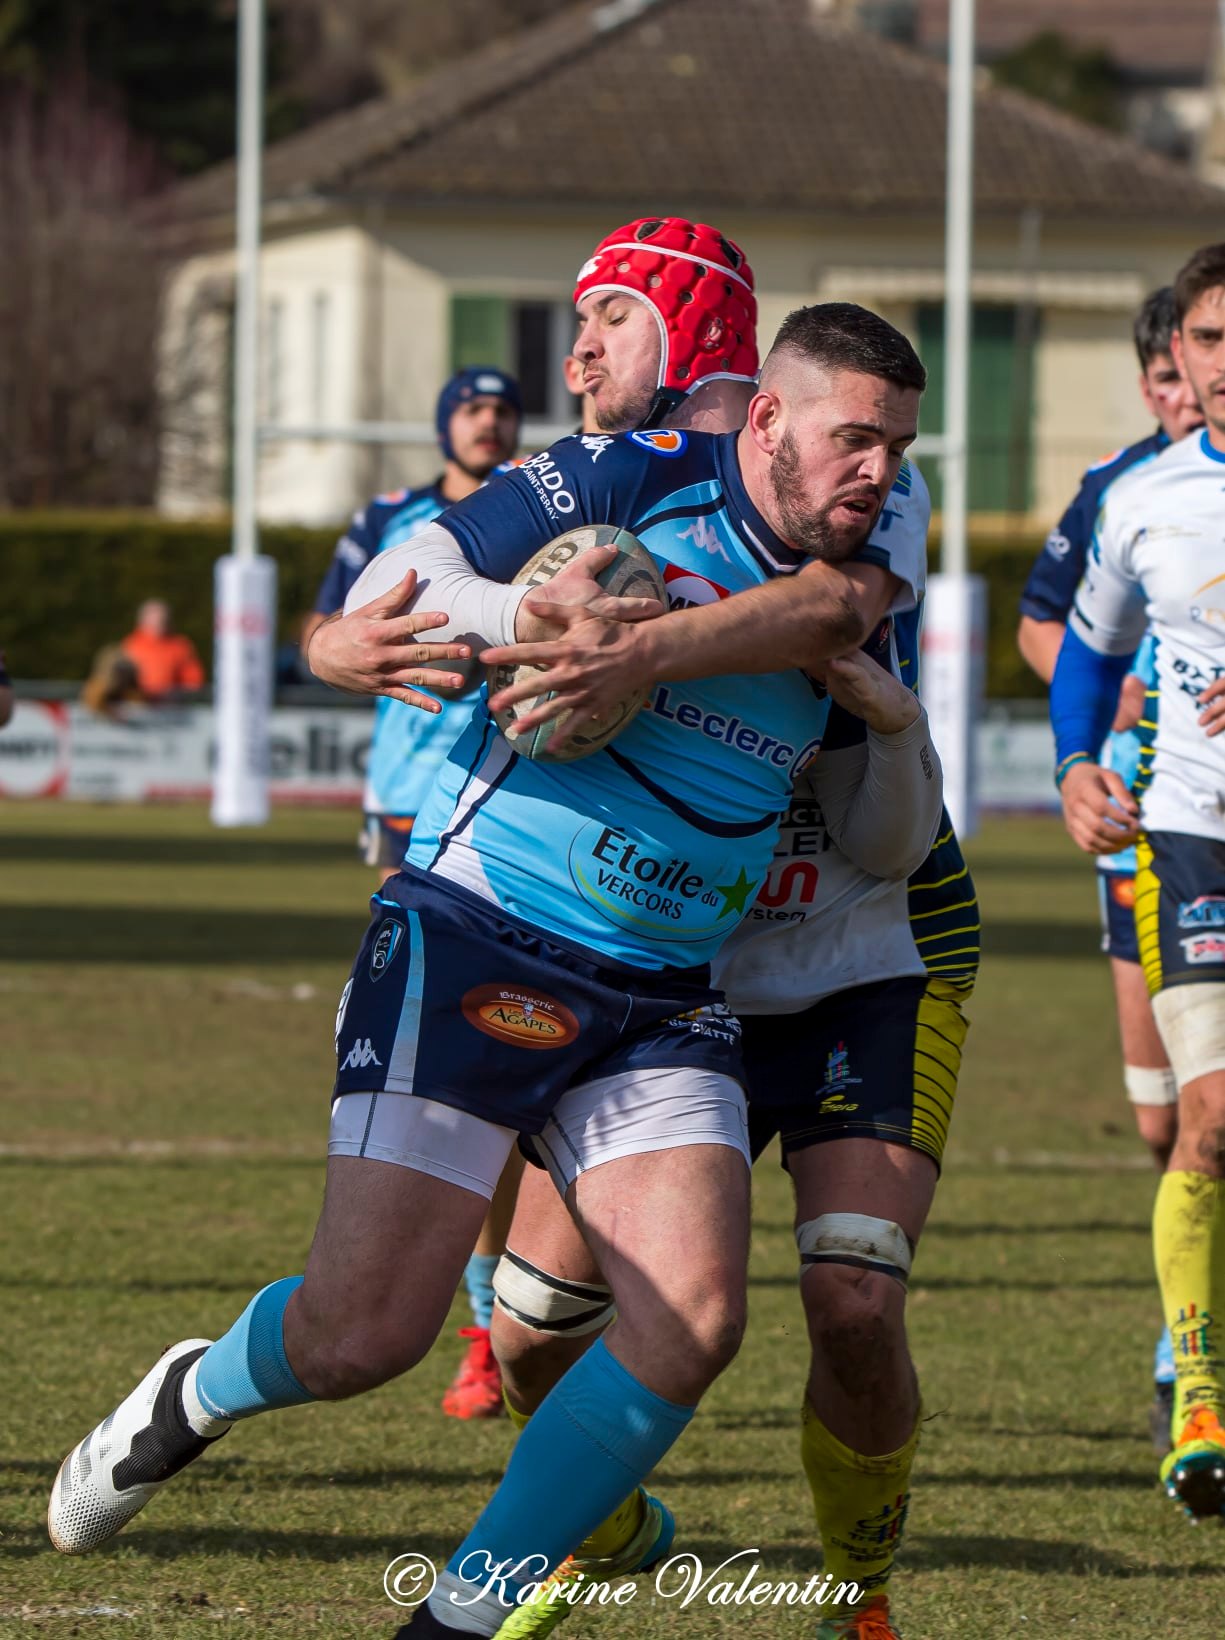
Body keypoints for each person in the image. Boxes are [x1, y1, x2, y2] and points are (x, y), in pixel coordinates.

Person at [48, 286, 929, 1640]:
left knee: (694, 1319)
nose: (880, 471)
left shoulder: (867, 572)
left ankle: (456, 1622)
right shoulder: (637, 476)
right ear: (767, 420)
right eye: (854, 438)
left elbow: (880, 818)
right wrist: (542, 614)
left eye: (898, 446)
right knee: (361, 1337)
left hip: (667, 995)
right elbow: (410, 573)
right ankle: (195, 1390)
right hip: (479, 933)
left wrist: (893, 723)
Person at [304, 365, 524, 1420]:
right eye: (472, 407)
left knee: (501, 1066)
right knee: (447, 1056)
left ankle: (499, 1319)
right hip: (409, 804)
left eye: (501, 407)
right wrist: (342, 652)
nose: (489, 421)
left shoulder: (546, 512)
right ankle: (479, 1320)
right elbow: (324, 632)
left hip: (514, 801)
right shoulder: (391, 520)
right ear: (445, 423)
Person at [1050, 241, 1225, 1522]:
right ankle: (1200, 1393)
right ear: (1179, 354)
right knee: (1207, 1114)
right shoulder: (1140, 497)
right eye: (1209, 339)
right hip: (1190, 838)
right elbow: (1084, 649)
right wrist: (1072, 763)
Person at [1017, 288, 1204, 1446]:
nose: (1193, 391)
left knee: (1209, 1103)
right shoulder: (1120, 490)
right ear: (1153, 377)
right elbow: (1048, 627)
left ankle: (1188, 1347)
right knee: (1160, 1116)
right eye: (1179, 370)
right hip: (1151, 825)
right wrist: (1092, 728)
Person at [120, 600, 204, 700]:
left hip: (171, 702)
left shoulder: (179, 645)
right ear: (142, 621)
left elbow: (192, 679)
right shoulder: (130, 645)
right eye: (152, 620)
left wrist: (185, 695)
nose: (157, 624)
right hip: (139, 701)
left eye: (161, 620)